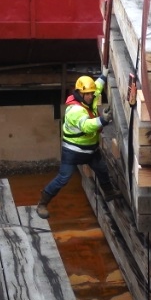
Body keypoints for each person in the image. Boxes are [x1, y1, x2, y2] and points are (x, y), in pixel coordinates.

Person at [37, 74, 117, 218]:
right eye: (87, 94)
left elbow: (97, 86)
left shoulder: (89, 96)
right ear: (79, 93)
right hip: (73, 151)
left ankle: (109, 192)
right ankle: (42, 203)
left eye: (92, 93)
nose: (91, 96)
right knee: (63, 178)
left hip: (91, 149)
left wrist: (104, 75)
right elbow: (87, 126)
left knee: (102, 169)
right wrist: (103, 120)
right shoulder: (74, 110)